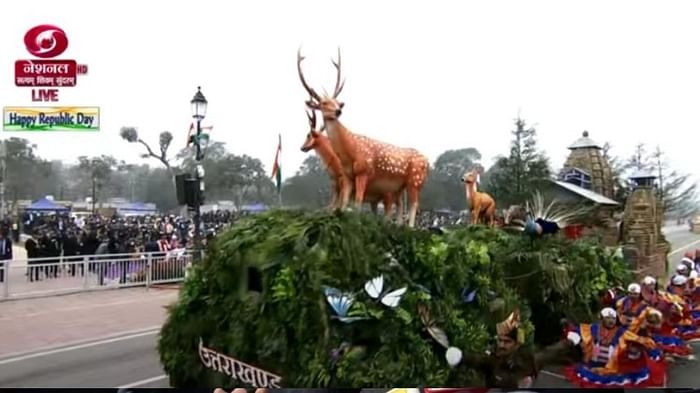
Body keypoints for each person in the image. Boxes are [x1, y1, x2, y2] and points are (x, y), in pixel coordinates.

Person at [445, 309, 575, 388]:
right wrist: (461, 357)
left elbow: (552, 352)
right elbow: (479, 360)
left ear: (517, 344)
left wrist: (569, 343)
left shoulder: (528, 360)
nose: (501, 345)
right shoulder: (494, 359)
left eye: (506, 342)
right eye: (500, 340)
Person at [563, 307, 665, 387]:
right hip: (592, 362)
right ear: (601, 319)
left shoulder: (621, 332)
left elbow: (637, 339)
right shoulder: (592, 328)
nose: (611, 321)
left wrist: (649, 345)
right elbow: (578, 331)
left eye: (613, 318)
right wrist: (573, 338)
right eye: (607, 318)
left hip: (611, 367)